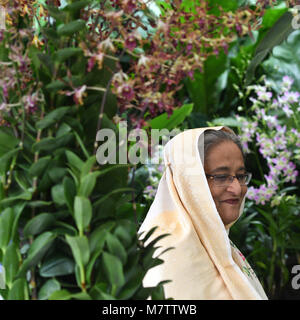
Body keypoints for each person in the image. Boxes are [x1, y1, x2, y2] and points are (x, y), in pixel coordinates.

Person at [138, 126, 268, 300]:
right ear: (190, 181)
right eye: (221, 177)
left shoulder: (214, 239)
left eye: (241, 176)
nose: (237, 189)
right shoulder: (168, 256)